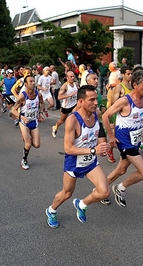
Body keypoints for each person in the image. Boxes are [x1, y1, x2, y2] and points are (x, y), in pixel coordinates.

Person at [45, 85, 111, 228]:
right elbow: (68, 148)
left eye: (96, 99)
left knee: (104, 192)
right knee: (67, 193)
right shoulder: (72, 120)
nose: (96, 103)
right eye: (91, 100)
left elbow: (99, 132)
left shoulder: (96, 114)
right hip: (74, 162)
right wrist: (94, 150)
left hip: (91, 162)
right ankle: (51, 210)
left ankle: (81, 204)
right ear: (81, 101)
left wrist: (103, 146)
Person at [101, 70, 143, 207]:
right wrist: (112, 136)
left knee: (121, 170)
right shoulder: (125, 101)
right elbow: (105, 116)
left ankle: (100, 190)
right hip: (124, 140)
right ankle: (120, 188)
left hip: (135, 141)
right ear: (135, 85)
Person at [11, 75, 45, 170]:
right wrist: (22, 117)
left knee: (37, 145)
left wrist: (41, 113)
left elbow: (42, 103)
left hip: (34, 121)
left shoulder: (38, 95)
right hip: (24, 122)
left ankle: (26, 138)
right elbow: (13, 110)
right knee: (28, 144)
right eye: (31, 81)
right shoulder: (22, 96)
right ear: (26, 84)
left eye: (34, 81)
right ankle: (24, 160)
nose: (33, 83)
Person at [52, 71, 78, 138]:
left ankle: (75, 133)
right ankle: (55, 127)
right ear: (67, 77)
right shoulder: (65, 86)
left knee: (76, 117)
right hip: (66, 107)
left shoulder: (76, 84)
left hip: (75, 105)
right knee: (62, 120)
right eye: (71, 76)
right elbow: (59, 97)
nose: (72, 78)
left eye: (73, 76)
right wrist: (69, 95)